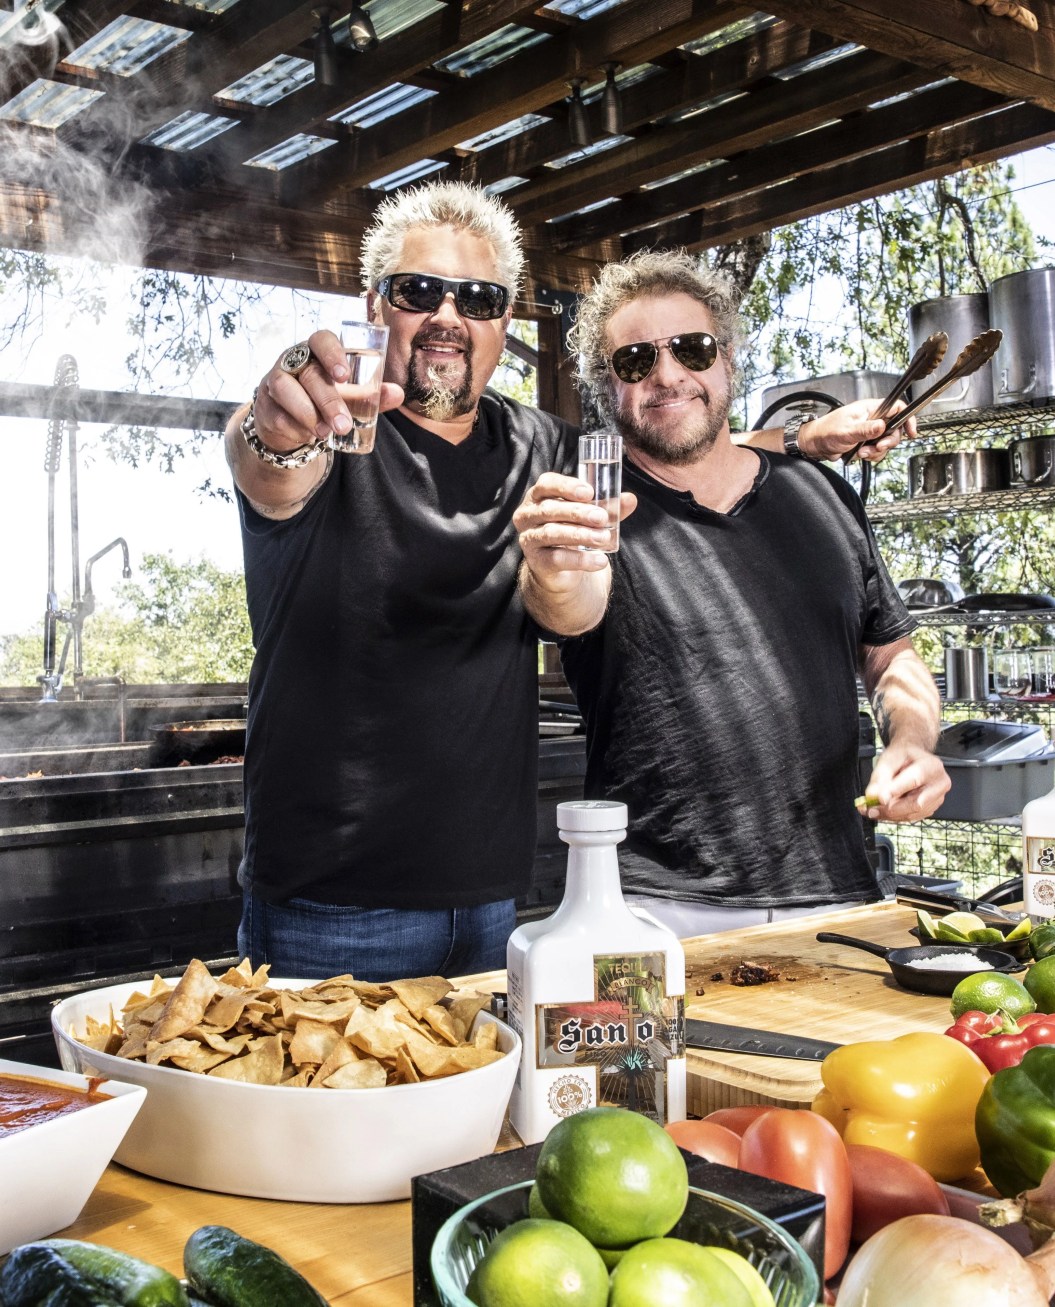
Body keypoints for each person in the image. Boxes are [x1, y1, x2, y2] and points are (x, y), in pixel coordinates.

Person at [514, 248, 949, 936]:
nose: (667, 375)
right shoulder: (591, 510)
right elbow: (566, 607)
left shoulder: (823, 497)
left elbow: (890, 655)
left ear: (727, 359)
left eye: (691, 348)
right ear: (607, 385)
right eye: (635, 360)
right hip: (650, 907)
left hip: (835, 891)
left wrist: (914, 741)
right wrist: (553, 572)